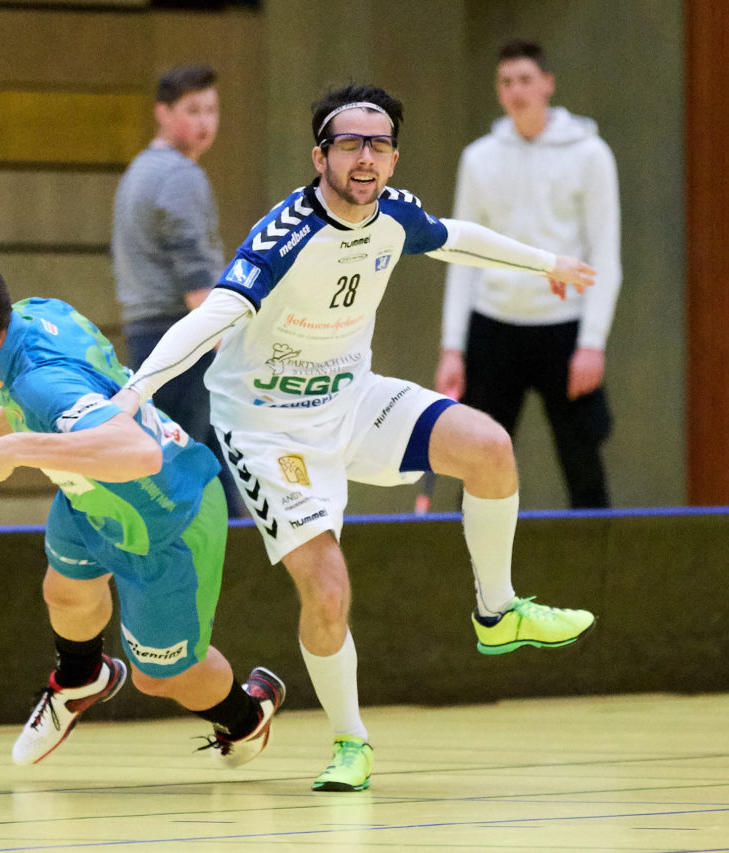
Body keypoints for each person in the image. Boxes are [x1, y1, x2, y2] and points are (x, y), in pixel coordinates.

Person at [113, 83, 596, 793]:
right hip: (267, 428)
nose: (365, 156)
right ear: (320, 155)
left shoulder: (395, 215)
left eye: (379, 144)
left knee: (489, 446)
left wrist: (546, 262)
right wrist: (132, 394)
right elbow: (213, 314)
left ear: (394, 158)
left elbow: (456, 237)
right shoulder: (285, 234)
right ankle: (351, 741)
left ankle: (497, 611)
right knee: (329, 589)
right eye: (349, 143)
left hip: (351, 399)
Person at [0, 245, 284, 768]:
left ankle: (248, 716)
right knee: (66, 592)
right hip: (89, 497)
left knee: (159, 675)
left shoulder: (41, 383)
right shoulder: (37, 314)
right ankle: (82, 679)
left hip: (166, 516)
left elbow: (138, 453)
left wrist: (11, 451)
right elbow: (28, 400)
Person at [436, 40, 621, 509]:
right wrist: (453, 348)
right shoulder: (479, 158)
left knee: (584, 465)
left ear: (547, 85)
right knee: (476, 463)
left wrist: (592, 343)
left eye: (524, 80)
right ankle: (475, 575)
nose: (516, 90)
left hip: (564, 328)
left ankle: (597, 574)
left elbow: (605, 252)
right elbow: (461, 254)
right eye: (505, 82)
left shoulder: (590, 154)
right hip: (493, 325)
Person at [112, 64, 243, 517]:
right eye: (193, 110)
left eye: (212, 109)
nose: (205, 122)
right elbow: (198, 283)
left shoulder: (139, 172)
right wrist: (232, 347)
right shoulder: (180, 177)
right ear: (162, 113)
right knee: (188, 474)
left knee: (192, 464)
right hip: (185, 339)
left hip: (147, 336)